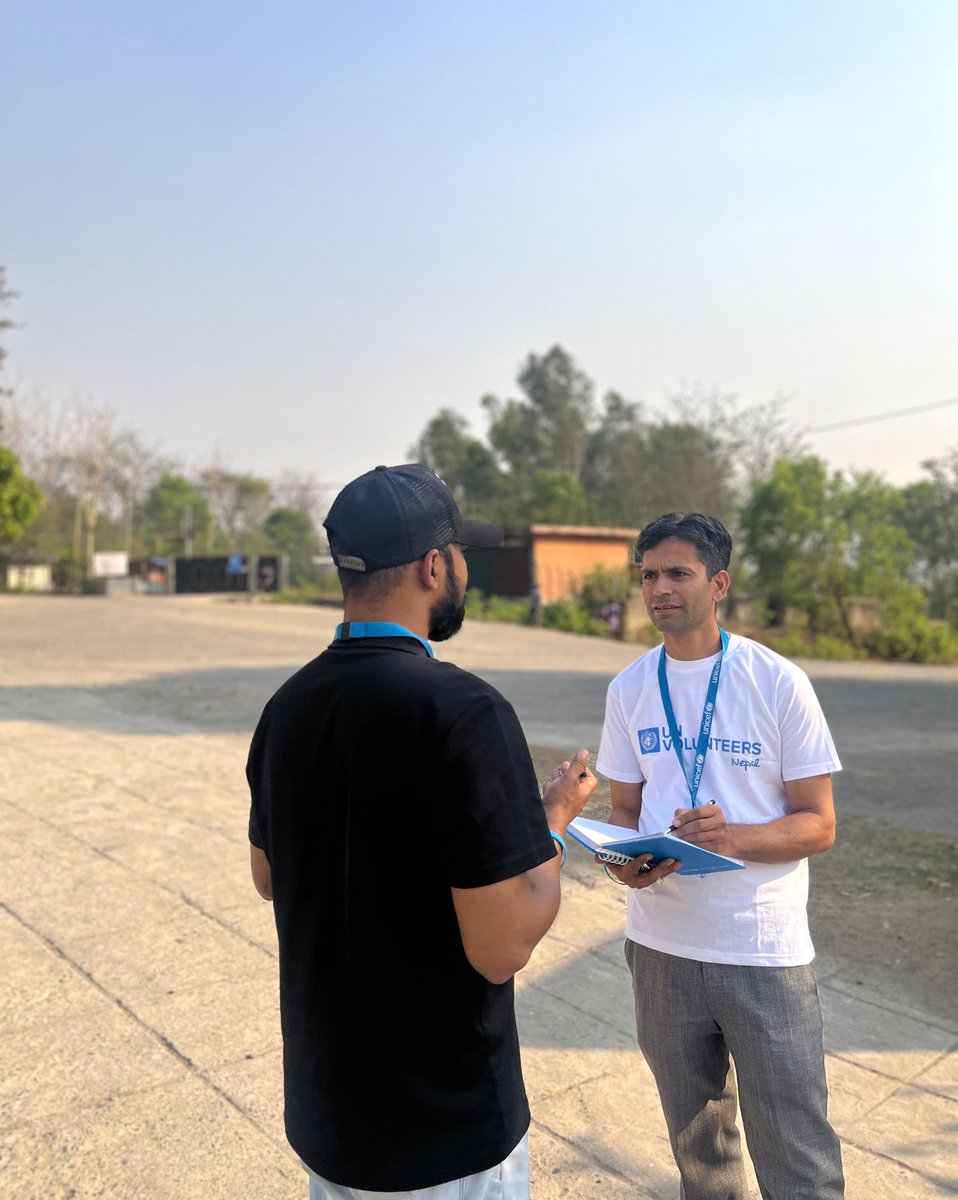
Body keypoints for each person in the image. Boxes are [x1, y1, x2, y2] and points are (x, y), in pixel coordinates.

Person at [247, 463, 596, 1200]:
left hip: (331, 1121)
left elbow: (268, 874)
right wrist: (551, 826)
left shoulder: (289, 706)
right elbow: (501, 947)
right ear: (434, 565)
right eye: (460, 552)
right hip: (445, 1135)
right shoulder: (464, 712)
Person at [595, 511, 845, 1200]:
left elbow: (818, 825)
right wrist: (621, 861)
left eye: (677, 573)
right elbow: (623, 811)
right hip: (659, 946)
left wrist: (732, 838)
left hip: (760, 948)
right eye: (648, 575)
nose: (659, 589)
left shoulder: (776, 682)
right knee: (699, 1149)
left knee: (796, 1151)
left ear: (719, 583)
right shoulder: (630, 688)